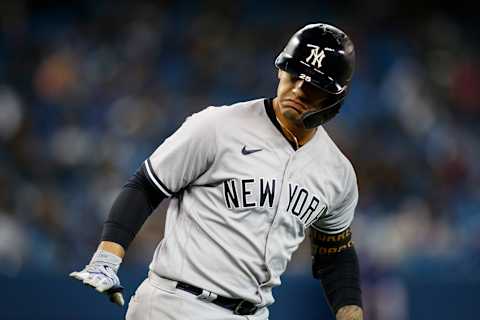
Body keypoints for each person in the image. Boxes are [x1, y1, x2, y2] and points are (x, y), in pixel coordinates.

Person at [70, 22, 363, 320]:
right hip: (175, 305)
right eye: (293, 75)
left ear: (334, 97)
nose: (298, 89)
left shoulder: (337, 173)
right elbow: (146, 185)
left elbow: (334, 250)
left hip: (253, 314)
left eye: (313, 85)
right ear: (279, 70)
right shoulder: (217, 126)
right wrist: (107, 258)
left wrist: (351, 311)